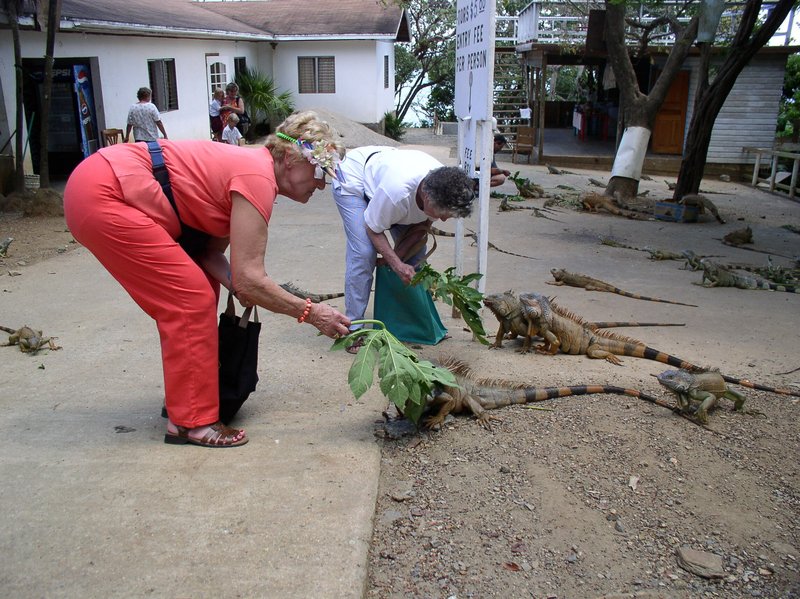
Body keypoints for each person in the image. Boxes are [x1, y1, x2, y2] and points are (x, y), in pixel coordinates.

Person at [63, 111, 350, 448]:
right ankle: (191, 422)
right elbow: (250, 278)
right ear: (289, 158)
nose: (321, 184)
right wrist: (312, 313)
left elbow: (208, 254)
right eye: (318, 171)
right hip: (106, 192)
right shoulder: (256, 177)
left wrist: (239, 286)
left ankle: (186, 399)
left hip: (101, 184)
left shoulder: (252, 170)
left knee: (201, 286)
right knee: (190, 298)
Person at [331, 147, 476, 353]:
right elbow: (372, 229)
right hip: (355, 180)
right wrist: (396, 264)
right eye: (442, 214)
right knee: (364, 254)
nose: (443, 220)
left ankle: (410, 325)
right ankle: (353, 328)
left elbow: (421, 228)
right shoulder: (397, 193)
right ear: (427, 198)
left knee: (415, 258)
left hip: (387, 175)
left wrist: (396, 260)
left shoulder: (444, 186)